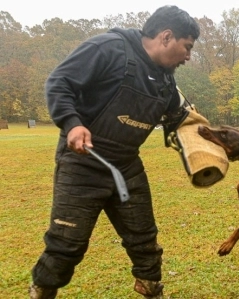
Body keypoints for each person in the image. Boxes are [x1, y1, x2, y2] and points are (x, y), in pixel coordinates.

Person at [29, 5, 200, 299]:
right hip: (83, 162)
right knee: (66, 244)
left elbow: (180, 117)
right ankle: (41, 292)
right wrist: (72, 124)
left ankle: (151, 291)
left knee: (144, 241)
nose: (188, 56)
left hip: (127, 165)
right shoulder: (109, 48)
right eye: (187, 47)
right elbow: (59, 82)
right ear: (166, 36)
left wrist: (214, 141)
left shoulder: (166, 80)